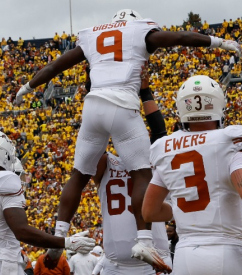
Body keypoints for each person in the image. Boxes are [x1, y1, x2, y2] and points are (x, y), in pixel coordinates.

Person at [14, 9, 241, 267]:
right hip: (123, 104)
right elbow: (178, 37)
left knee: (78, 175)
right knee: (142, 174)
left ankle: (59, 236)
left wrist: (27, 87)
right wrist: (218, 42)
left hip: (92, 106)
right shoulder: (139, 31)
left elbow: (56, 66)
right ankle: (144, 238)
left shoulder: (93, 36)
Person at [141, 75, 242, 275]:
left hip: (185, 255)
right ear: (219, 104)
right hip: (227, 252)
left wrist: (185, 208)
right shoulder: (230, 138)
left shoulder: (164, 146)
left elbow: (149, 212)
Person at [0, 129, 95, 275]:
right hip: (3, 265)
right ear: (2, 153)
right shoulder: (6, 179)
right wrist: (67, 242)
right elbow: (21, 230)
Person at [89, 65, 172, 274]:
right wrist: (93, 91)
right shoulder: (107, 163)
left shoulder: (154, 159)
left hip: (155, 259)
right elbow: (94, 135)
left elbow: (160, 131)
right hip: (116, 264)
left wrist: (145, 92)